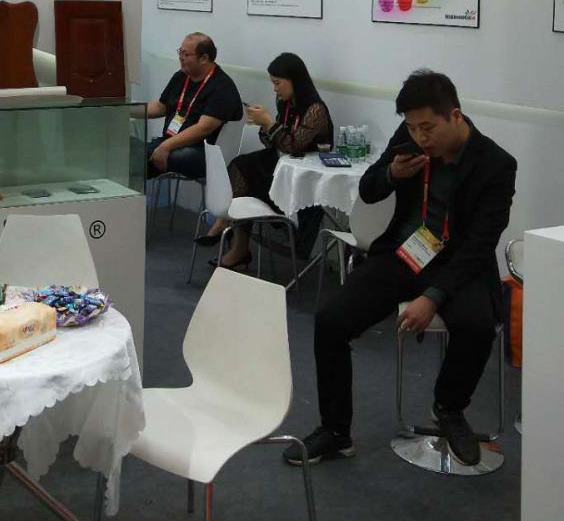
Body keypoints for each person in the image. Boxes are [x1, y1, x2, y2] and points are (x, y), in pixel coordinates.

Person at [285, 69, 516, 469]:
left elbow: (480, 244)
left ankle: (449, 407)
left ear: (455, 115)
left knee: (477, 325)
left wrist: (432, 298)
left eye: (428, 128)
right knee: (331, 321)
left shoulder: (496, 164)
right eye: (412, 127)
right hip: (406, 252)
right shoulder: (409, 138)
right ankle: (335, 431)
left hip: (460, 263)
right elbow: (369, 188)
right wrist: (392, 173)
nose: (421, 137)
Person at [197, 52, 332, 269]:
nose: (275, 89)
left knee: (245, 175)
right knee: (240, 166)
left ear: (294, 80)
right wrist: (264, 125)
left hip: (301, 174)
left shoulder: (315, 110)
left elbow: (293, 145)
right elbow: (274, 142)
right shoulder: (286, 103)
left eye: (277, 83)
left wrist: (269, 123)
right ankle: (237, 243)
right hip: (281, 163)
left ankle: (231, 234)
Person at [146, 34, 242, 181]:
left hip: (202, 150)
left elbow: (203, 128)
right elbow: (161, 107)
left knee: (157, 156)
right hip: (171, 141)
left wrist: (166, 146)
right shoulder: (181, 76)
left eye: (186, 54)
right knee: (133, 152)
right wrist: (128, 110)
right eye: (180, 52)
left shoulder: (222, 86)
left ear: (204, 58)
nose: (180, 58)